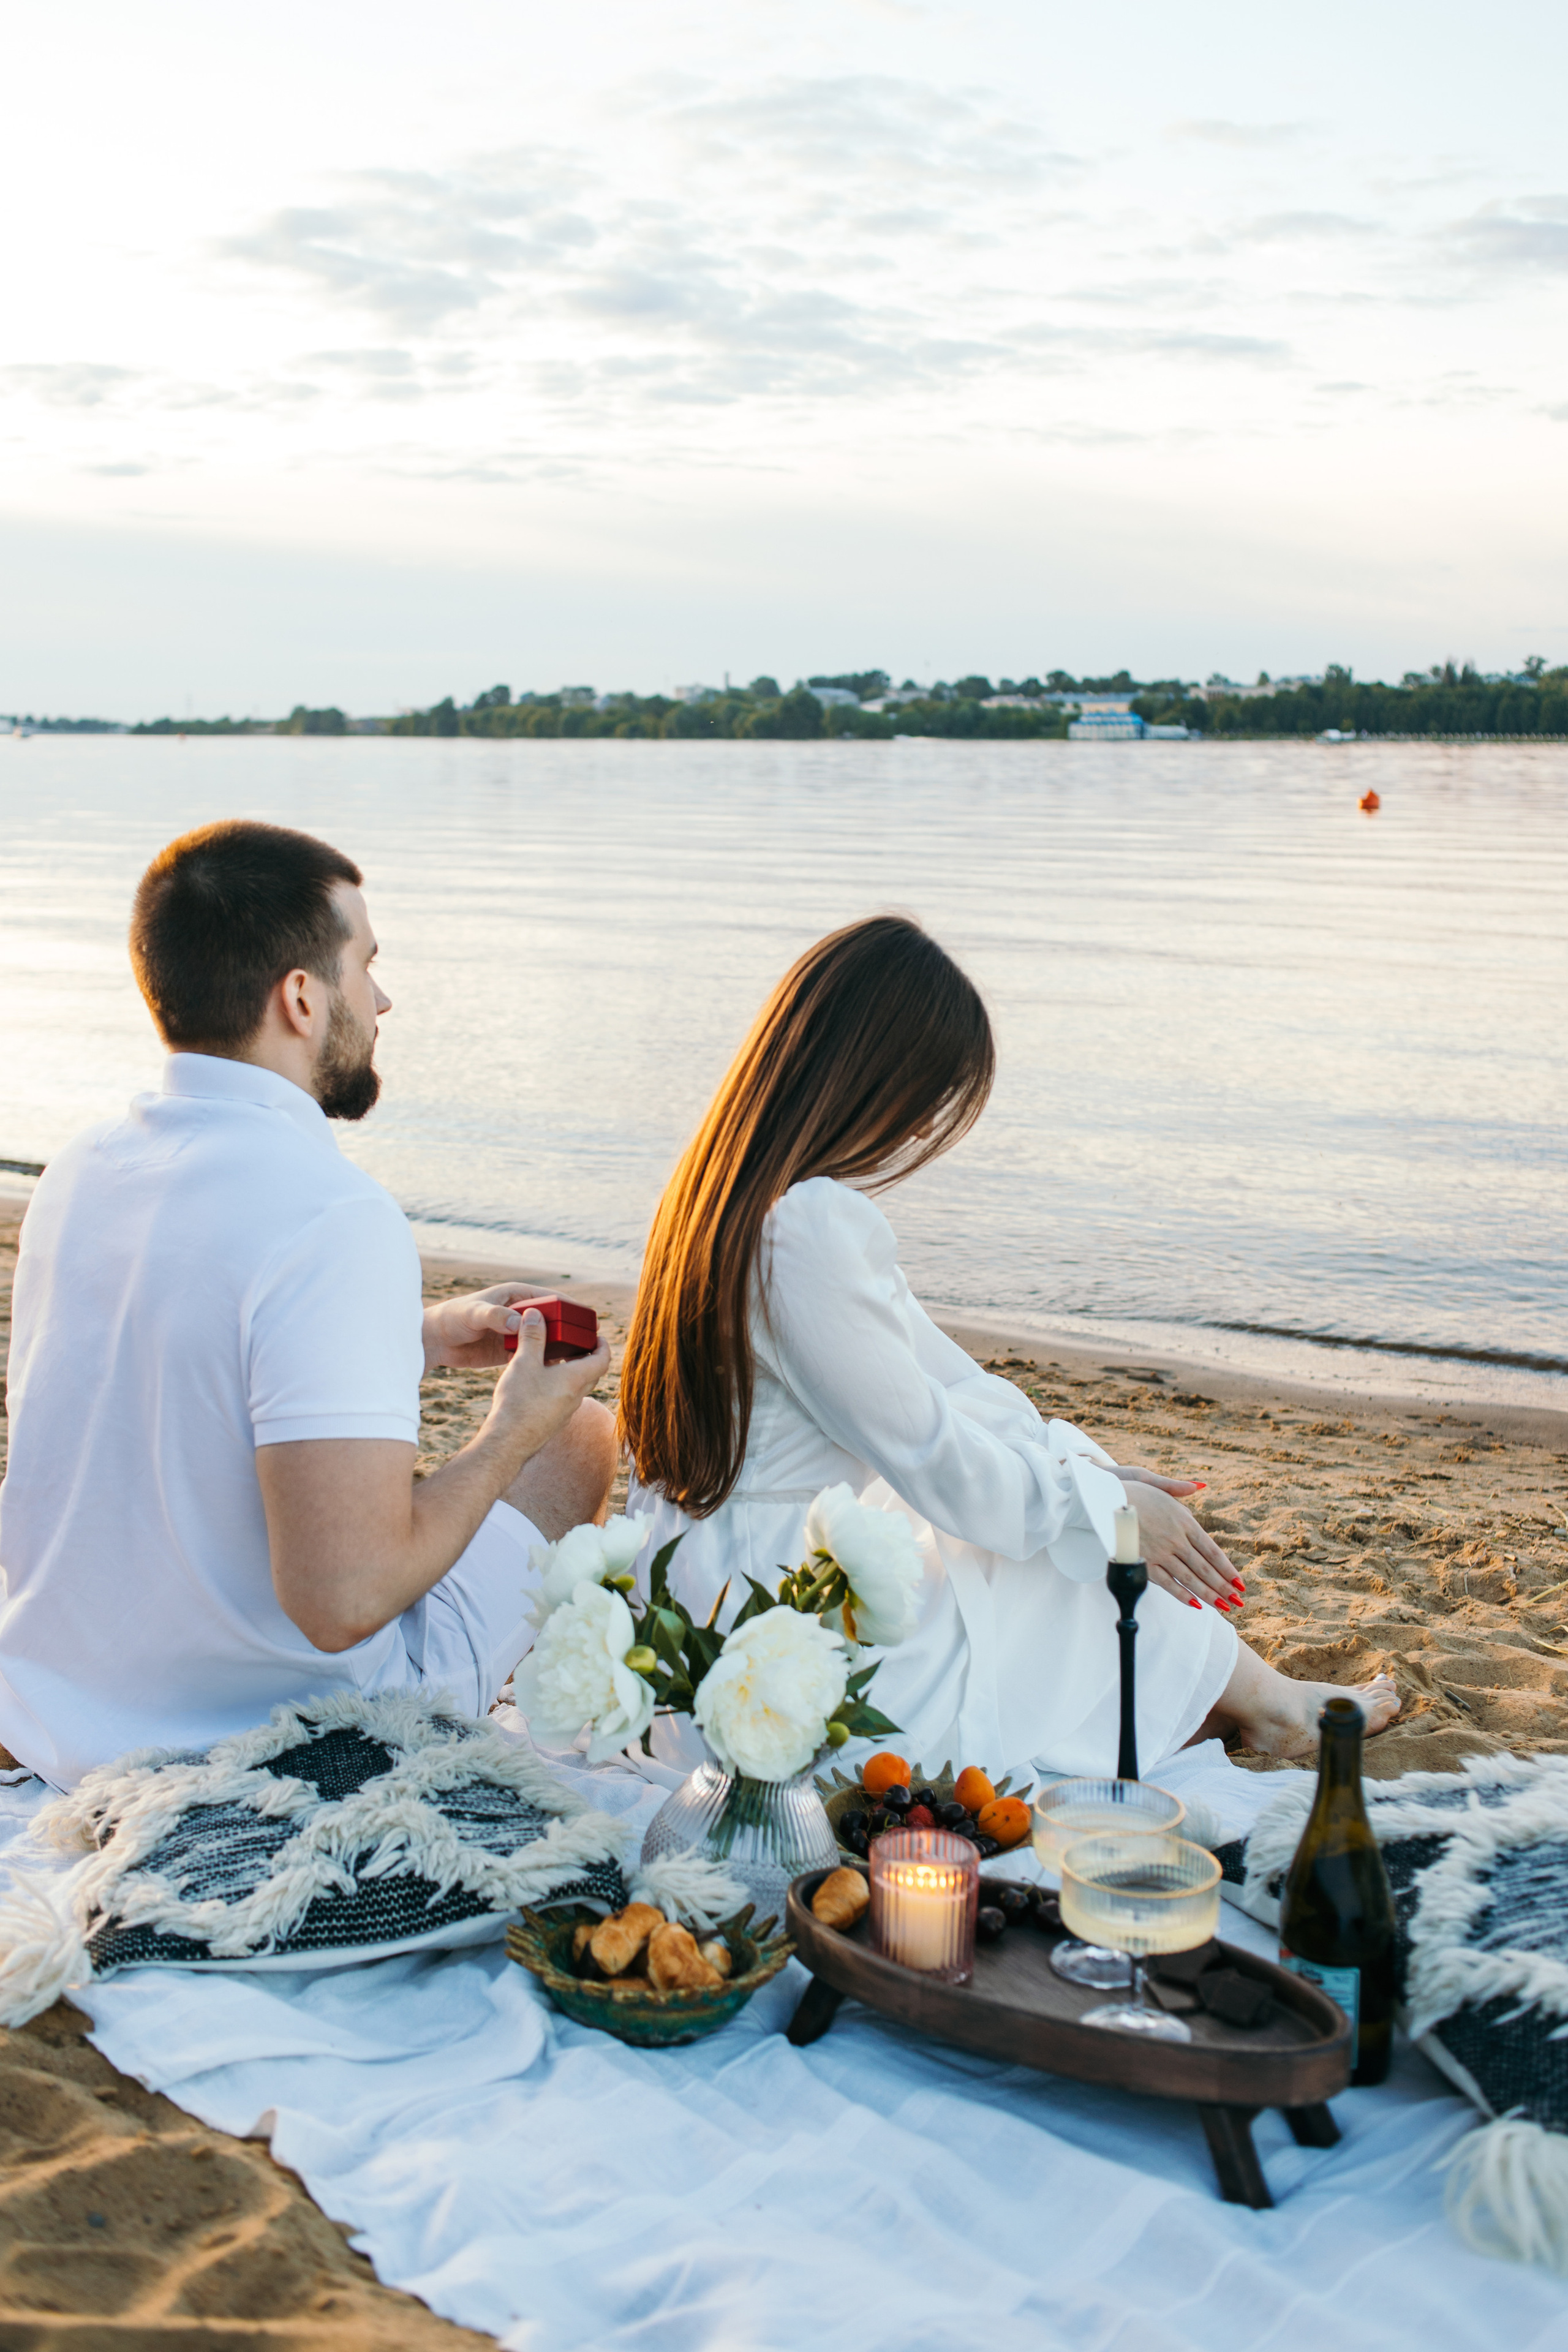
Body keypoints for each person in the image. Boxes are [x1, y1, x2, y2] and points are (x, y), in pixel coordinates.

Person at [618, 914, 1398, 1780]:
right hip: (773, 1644)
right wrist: (1094, 1505)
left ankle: (1257, 1695)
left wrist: (1092, 1481)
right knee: (1036, 1533)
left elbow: (946, 1381)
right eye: (924, 1103)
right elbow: (935, 1460)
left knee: (1057, 1481)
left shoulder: (716, 1197)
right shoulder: (808, 1228)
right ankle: (1271, 1707)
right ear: (871, 1080)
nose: (918, 1136)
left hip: (700, 1602)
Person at [0, 820, 614, 1790]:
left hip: (64, 1698)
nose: (381, 999)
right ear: (300, 997)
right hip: (266, 1738)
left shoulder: (80, 1172)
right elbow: (344, 1598)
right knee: (577, 1436)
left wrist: (414, 1339)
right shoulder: (331, 1213)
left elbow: (183, 1354)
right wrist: (510, 1431)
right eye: (365, 965)